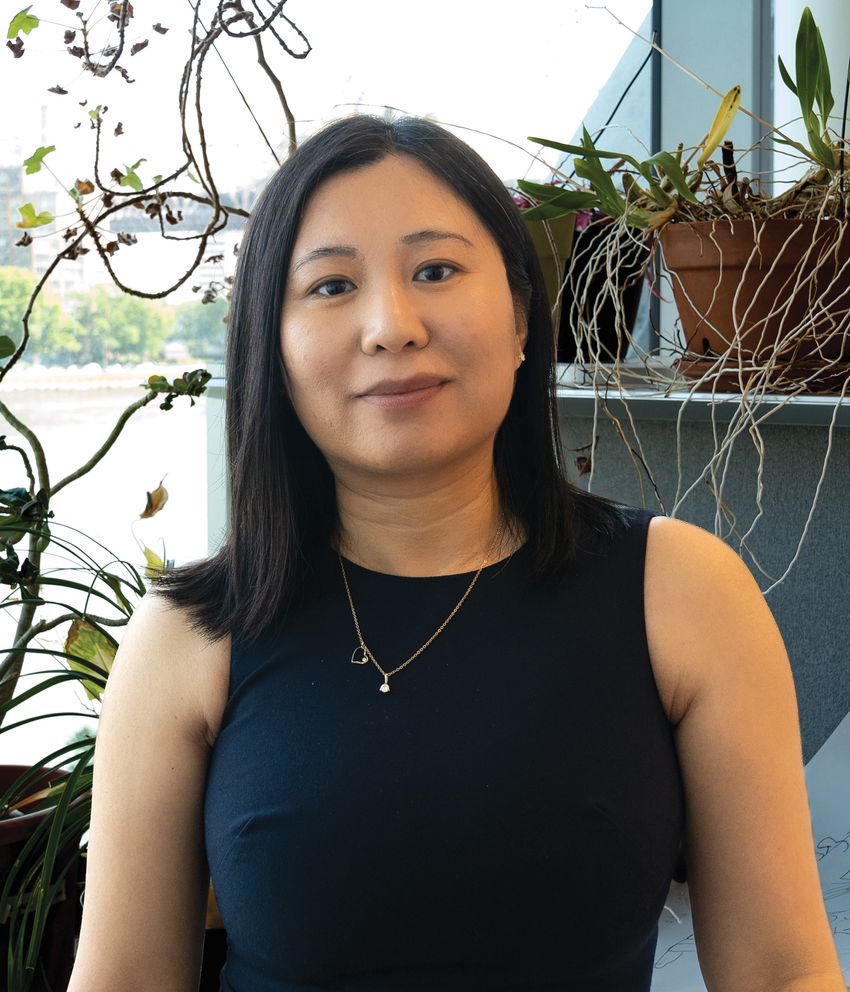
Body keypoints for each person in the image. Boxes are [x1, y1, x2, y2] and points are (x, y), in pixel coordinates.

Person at [67, 114, 844, 992]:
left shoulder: (682, 594)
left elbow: (783, 974)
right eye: (329, 286)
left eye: (435, 270)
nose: (391, 325)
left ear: (520, 317)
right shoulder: (188, 638)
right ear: (272, 350)